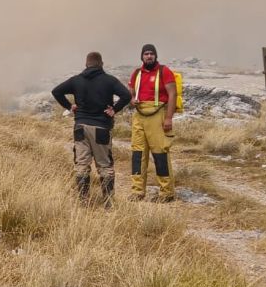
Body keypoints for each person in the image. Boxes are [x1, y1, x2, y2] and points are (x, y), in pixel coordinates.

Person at [52, 52, 131, 206]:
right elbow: (126, 95)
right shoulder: (110, 80)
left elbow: (56, 91)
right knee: (105, 166)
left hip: (80, 127)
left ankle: (83, 201)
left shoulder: (76, 80)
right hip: (101, 127)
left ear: (86, 64)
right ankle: (108, 203)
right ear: (101, 63)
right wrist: (114, 109)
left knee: (81, 165)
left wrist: (69, 106)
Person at [129, 44, 177, 202]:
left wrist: (169, 118)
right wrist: (132, 99)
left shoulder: (164, 71)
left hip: (158, 115)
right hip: (139, 115)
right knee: (138, 154)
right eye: (146, 54)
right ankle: (137, 191)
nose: (149, 56)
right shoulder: (137, 73)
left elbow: (172, 94)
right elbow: (130, 92)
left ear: (155, 56)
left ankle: (166, 193)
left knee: (160, 154)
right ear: (141, 56)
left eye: (151, 54)